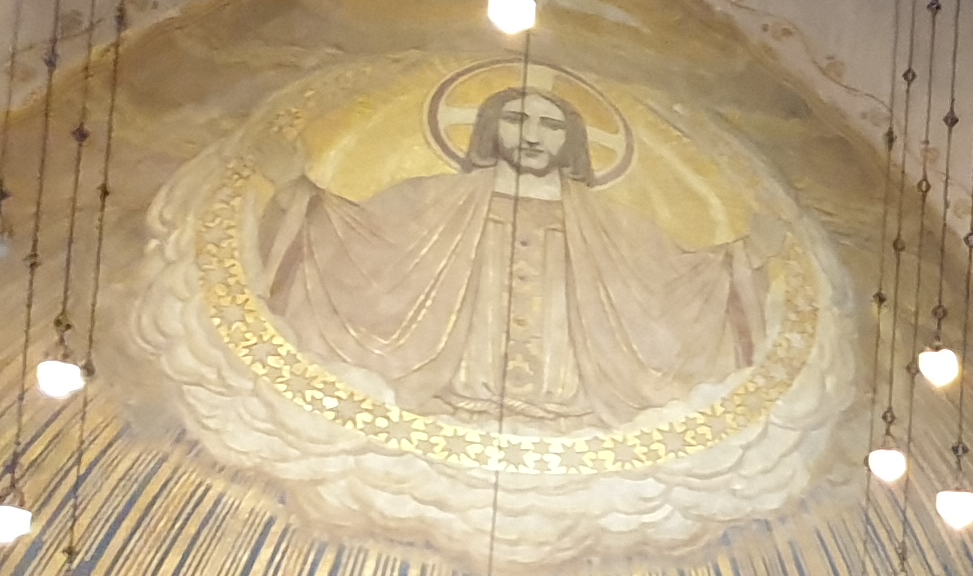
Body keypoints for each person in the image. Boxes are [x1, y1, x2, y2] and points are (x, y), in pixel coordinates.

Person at [262, 84, 773, 428]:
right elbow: (359, 240)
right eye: (516, 119)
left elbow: (673, 282)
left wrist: (745, 258)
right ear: (490, 127)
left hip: (573, 414)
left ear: (571, 139)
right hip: (447, 403)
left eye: (551, 126)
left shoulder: (618, 224)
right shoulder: (428, 198)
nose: (532, 135)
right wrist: (295, 192)